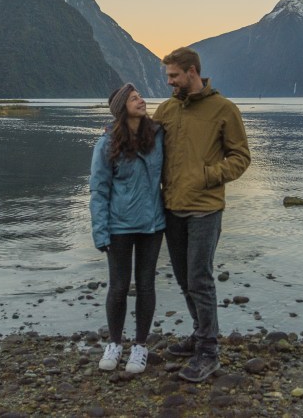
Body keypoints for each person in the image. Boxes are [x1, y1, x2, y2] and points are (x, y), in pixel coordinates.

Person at [153, 47, 251, 383]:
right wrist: (115, 136)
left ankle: (209, 351)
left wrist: (208, 175)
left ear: (192, 72)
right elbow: (146, 146)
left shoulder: (224, 109)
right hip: (171, 206)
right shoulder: (166, 110)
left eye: (174, 76)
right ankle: (199, 333)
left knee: (200, 278)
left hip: (205, 208)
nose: (169, 82)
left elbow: (241, 157)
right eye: (168, 76)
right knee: (183, 279)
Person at [89, 83, 165, 374]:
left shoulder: (158, 136)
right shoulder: (107, 143)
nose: (141, 100)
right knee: (119, 286)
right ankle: (115, 344)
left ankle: (141, 346)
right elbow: (98, 189)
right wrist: (100, 231)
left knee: (146, 285)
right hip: (119, 225)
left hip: (152, 224)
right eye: (134, 98)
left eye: (140, 96)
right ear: (122, 108)